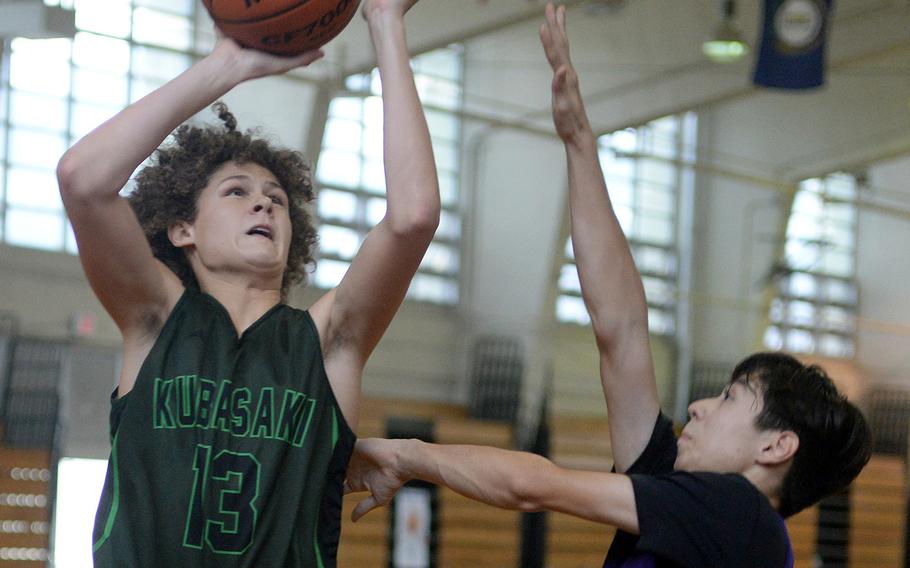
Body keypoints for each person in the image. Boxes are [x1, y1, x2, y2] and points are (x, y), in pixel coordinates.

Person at [344, 4, 872, 567]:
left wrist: (409, 454)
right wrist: (578, 142)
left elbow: (536, 487)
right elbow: (620, 331)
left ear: (776, 446)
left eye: (728, 399)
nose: (696, 407)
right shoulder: (693, 503)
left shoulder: (739, 514)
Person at [56, 0, 437, 566]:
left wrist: (385, 22)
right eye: (237, 191)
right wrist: (226, 65)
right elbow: (82, 180)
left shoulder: (327, 342)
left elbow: (413, 218)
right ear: (182, 227)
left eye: (277, 199)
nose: (263, 200)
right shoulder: (155, 319)